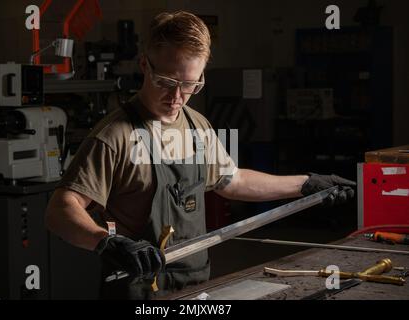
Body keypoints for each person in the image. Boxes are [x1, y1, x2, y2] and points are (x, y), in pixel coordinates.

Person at [45, 11, 356, 300]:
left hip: (196, 287)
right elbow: (60, 210)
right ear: (144, 65)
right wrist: (105, 241)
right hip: (139, 292)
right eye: (167, 82)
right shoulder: (114, 135)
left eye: (191, 84)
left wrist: (306, 183)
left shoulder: (198, 125)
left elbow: (231, 180)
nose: (177, 97)